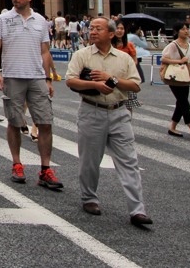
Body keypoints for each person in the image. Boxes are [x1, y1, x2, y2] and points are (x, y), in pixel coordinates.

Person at [65, 17, 152, 226]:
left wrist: (109, 79)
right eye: (91, 28)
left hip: (119, 112)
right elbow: (70, 80)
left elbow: (135, 85)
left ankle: (137, 210)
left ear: (111, 34)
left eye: (98, 29)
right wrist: (94, 85)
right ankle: (89, 198)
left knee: (129, 161)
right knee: (90, 161)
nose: (93, 32)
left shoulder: (123, 58)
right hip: (91, 111)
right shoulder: (82, 55)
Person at [0, 0, 63, 190]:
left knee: (45, 122)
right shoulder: (3, 19)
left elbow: (45, 52)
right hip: (12, 76)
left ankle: (45, 169)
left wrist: (48, 78)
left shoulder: (40, 21)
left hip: (37, 77)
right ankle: (17, 163)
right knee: (14, 122)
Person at [161, 23, 190, 139]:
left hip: (185, 77)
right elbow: (163, 58)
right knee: (184, 103)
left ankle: (172, 126)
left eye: (187, 28)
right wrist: (180, 61)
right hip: (174, 77)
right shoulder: (173, 45)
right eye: (183, 29)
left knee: (181, 102)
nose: (186, 31)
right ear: (177, 31)